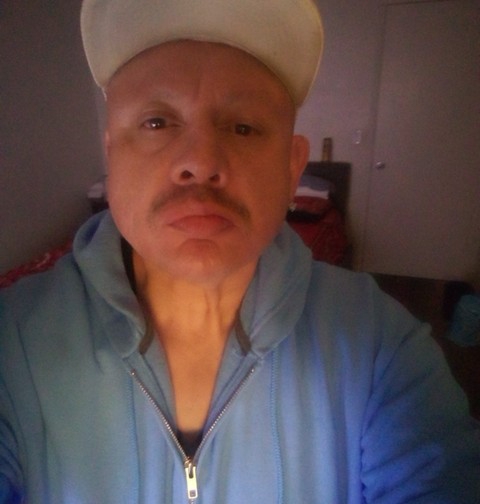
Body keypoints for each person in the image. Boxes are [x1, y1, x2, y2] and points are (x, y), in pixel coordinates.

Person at [1, 0, 479, 502]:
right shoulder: (12, 343)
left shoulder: (378, 344)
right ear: (111, 155)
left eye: (243, 127)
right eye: (157, 123)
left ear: (292, 168)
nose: (200, 160)